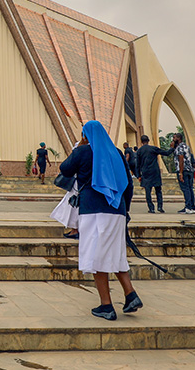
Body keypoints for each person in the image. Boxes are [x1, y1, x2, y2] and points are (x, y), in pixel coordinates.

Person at [60, 120, 142, 321]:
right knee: (115, 252)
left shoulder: (83, 152)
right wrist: (125, 210)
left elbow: (65, 169)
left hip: (93, 211)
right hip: (117, 209)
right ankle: (130, 294)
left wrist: (78, 148)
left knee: (96, 257)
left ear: (85, 135)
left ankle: (106, 305)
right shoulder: (116, 153)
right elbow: (128, 184)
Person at [133, 135, 173, 213]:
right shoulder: (153, 148)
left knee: (148, 192)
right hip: (155, 172)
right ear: (148, 141)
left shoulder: (139, 151)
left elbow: (137, 165)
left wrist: (138, 176)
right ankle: (160, 207)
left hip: (146, 173)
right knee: (158, 190)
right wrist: (172, 148)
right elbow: (166, 153)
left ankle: (151, 208)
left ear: (141, 142)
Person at [172, 133, 195, 214]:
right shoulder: (186, 146)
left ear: (178, 138)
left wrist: (180, 173)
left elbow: (181, 159)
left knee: (185, 189)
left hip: (183, 170)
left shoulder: (179, 147)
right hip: (190, 170)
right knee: (190, 188)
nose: (173, 139)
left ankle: (188, 207)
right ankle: (192, 207)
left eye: (174, 138)